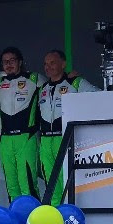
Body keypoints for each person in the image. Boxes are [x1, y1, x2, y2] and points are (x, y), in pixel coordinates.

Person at [38, 49, 100, 205]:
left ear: (63, 64)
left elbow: (98, 95)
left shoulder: (75, 82)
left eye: (52, 62)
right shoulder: (43, 88)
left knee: (68, 178)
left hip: (65, 138)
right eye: (45, 64)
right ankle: (55, 213)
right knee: (51, 181)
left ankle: (70, 212)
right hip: (45, 140)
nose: (48, 67)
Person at [0, 46, 41, 201]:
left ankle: (34, 216)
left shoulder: (34, 78)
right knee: (11, 185)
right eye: (5, 62)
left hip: (26, 137)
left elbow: (56, 85)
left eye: (12, 60)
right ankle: (17, 216)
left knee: (28, 183)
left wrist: (69, 76)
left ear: (20, 62)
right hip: (5, 139)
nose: (8, 64)